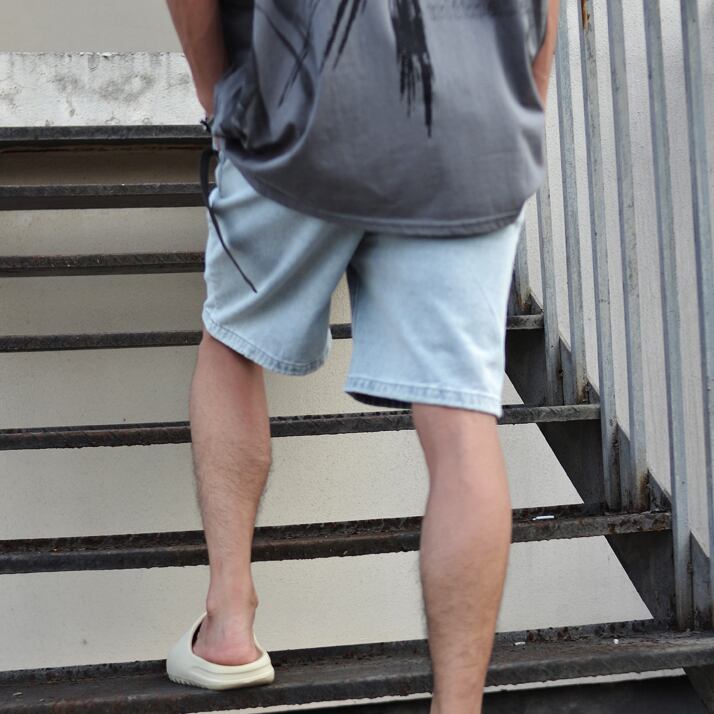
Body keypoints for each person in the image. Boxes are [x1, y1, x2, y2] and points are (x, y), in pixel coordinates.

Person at [164, 2, 559, 712]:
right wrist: (528, 87)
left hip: (296, 105)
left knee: (232, 344)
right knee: (461, 416)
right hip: (475, 122)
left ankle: (228, 625)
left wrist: (215, 88)